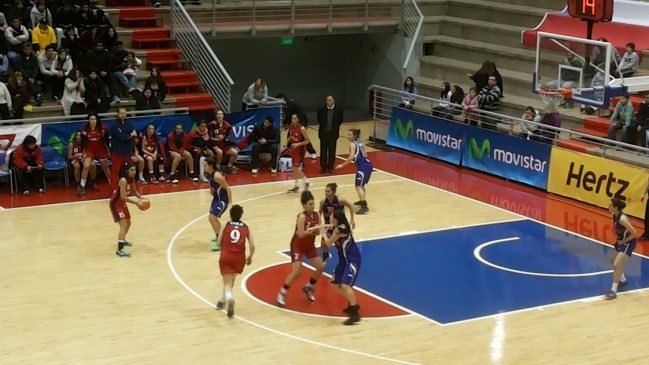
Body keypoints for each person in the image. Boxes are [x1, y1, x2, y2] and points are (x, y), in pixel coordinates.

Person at [276, 191, 324, 306]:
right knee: (297, 272)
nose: (313, 206)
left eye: (313, 204)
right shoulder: (302, 217)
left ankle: (309, 287)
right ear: (304, 205)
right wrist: (310, 231)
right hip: (297, 246)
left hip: (309, 246)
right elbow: (301, 234)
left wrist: (313, 231)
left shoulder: (317, 215)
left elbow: (319, 232)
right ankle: (282, 293)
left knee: (320, 267)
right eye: (310, 204)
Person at [319, 210, 362, 325]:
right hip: (343, 261)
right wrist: (317, 227)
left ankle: (355, 312)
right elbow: (329, 225)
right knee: (334, 284)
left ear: (336, 218)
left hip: (352, 260)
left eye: (332, 216)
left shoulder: (339, 229)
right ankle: (351, 303)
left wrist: (323, 233)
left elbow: (327, 243)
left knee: (345, 285)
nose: (330, 216)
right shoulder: (339, 226)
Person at [214, 204, 255, 318]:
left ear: (230, 215)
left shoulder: (225, 225)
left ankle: (229, 299)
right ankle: (222, 301)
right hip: (239, 258)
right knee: (230, 281)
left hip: (227, 256)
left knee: (227, 283)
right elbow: (252, 245)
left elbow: (218, 243)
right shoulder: (246, 227)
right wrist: (250, 256)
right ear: (241, 215)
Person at [109, 162, 146, 258]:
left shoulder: (132, 179)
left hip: (122, 204)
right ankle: (120, 250)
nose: (134, 172)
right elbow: (123, 196)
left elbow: (133, 191)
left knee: (128, 223)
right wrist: (136, 203)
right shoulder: (123, 180)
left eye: (135, 170)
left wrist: (141, 198)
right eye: (132, 170)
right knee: (123, 225)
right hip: (115, 204)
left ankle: (122, 240)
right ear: (126, 171)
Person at [605, 197, 637, 300]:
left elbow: (634, 233)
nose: (608, 207)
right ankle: (622, 280)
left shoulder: (622, 219)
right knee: (613, 260)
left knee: (616, 263)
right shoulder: (614, 214)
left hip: (628, 242)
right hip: (621, 241)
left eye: (610, 205)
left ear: (616, 207)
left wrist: (623, 241)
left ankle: (613, 291)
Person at [336, 129, 373, 214]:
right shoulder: (359, 143)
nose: (348, 136)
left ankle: (364, 206)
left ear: (354, 136)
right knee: (361, 185)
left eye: (350, 135)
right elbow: (365, 155)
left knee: (358, 186)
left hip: (363, 167)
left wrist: (342, 165)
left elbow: (351, 157)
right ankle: (362, 200)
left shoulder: (353, 144)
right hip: (368, 165)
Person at [318, 182, 355, 262]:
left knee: (339, 244)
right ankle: (325, 255)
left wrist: (352, 219)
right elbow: (319, 213)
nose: (326, 193)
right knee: (323, 244)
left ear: (333, 192)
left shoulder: (340, 200)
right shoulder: (323, 201)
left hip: (339, 225)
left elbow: (351, 206)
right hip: (329, 225)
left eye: (328, 191)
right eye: (325, 191)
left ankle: (346, 258)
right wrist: (320, 223)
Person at [204, 156, 232, 252]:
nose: (204, 167)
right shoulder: (209, 174)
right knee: (212, 218)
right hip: (216, 198)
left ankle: (221, 241)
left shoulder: (217, 176)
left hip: (222, 200)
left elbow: (228, 188)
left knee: (212, 218)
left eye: (205, 165)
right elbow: (211, 184)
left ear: (211, 166)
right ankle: (219, 235)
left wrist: (230, 203)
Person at [78, 113, 110, 196]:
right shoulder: (85, 129)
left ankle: (113, 185)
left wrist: (108, 151)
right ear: (89, 120)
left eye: (94, 119)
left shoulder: (102, 128)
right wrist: (83, 153)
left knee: (105, 167)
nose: (93, 121)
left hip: (100, 148)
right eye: (91, 119)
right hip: (90, 149)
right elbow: (83, 143)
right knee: (86, 166)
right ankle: (82, 186)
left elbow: (106, 141)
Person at [109, 108, 136, 191]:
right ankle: (115, 188)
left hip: (127, 151)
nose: (123, 115)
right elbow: (121, 137)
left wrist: (129, 135)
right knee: (115, 171)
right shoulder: (114, 125)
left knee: (128, 170)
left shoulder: (129, 123)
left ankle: (128, 186)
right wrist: (130, 135)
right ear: (118, 114)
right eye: (121, 113)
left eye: (124, 113)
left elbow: (133, 134)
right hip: (117, 151)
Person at [317, 95, 344, 174]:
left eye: (329, 100)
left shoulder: (339, 110)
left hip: (333, 133)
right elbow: (319, 120)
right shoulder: (321, 110)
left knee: (332, 150)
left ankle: (331, 166)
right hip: (324, 133)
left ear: (333, 101)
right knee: (323, 150)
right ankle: (323, 167)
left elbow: (340, 120)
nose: (327, 102)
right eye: (326, 101)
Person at [287, 113, 312, 193]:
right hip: (294, 148)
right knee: (294, 168)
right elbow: (291, 136)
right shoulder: (291, 126)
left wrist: (298, 144)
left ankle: (307, 182)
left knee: (296, 168)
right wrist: (287, 144)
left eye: (294, 119)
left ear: (298, 119)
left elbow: (308, 141)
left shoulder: (302, 128)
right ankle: (296, 186)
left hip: (300, 149)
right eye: (292, 118)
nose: (293, 120)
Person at [209, 109, 239, 174]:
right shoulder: (212, 125)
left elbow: (229, 136)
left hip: (224, 144)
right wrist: (216, 139)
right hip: (215, 144)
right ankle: (218, 168)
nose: (220, 116)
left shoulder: (227, 125)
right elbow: (209, 137)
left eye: (221, 114)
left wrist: (226, 139)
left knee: (235, 153)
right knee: (219, 152)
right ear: (216, 116)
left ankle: (229, 167)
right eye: (218, 114)